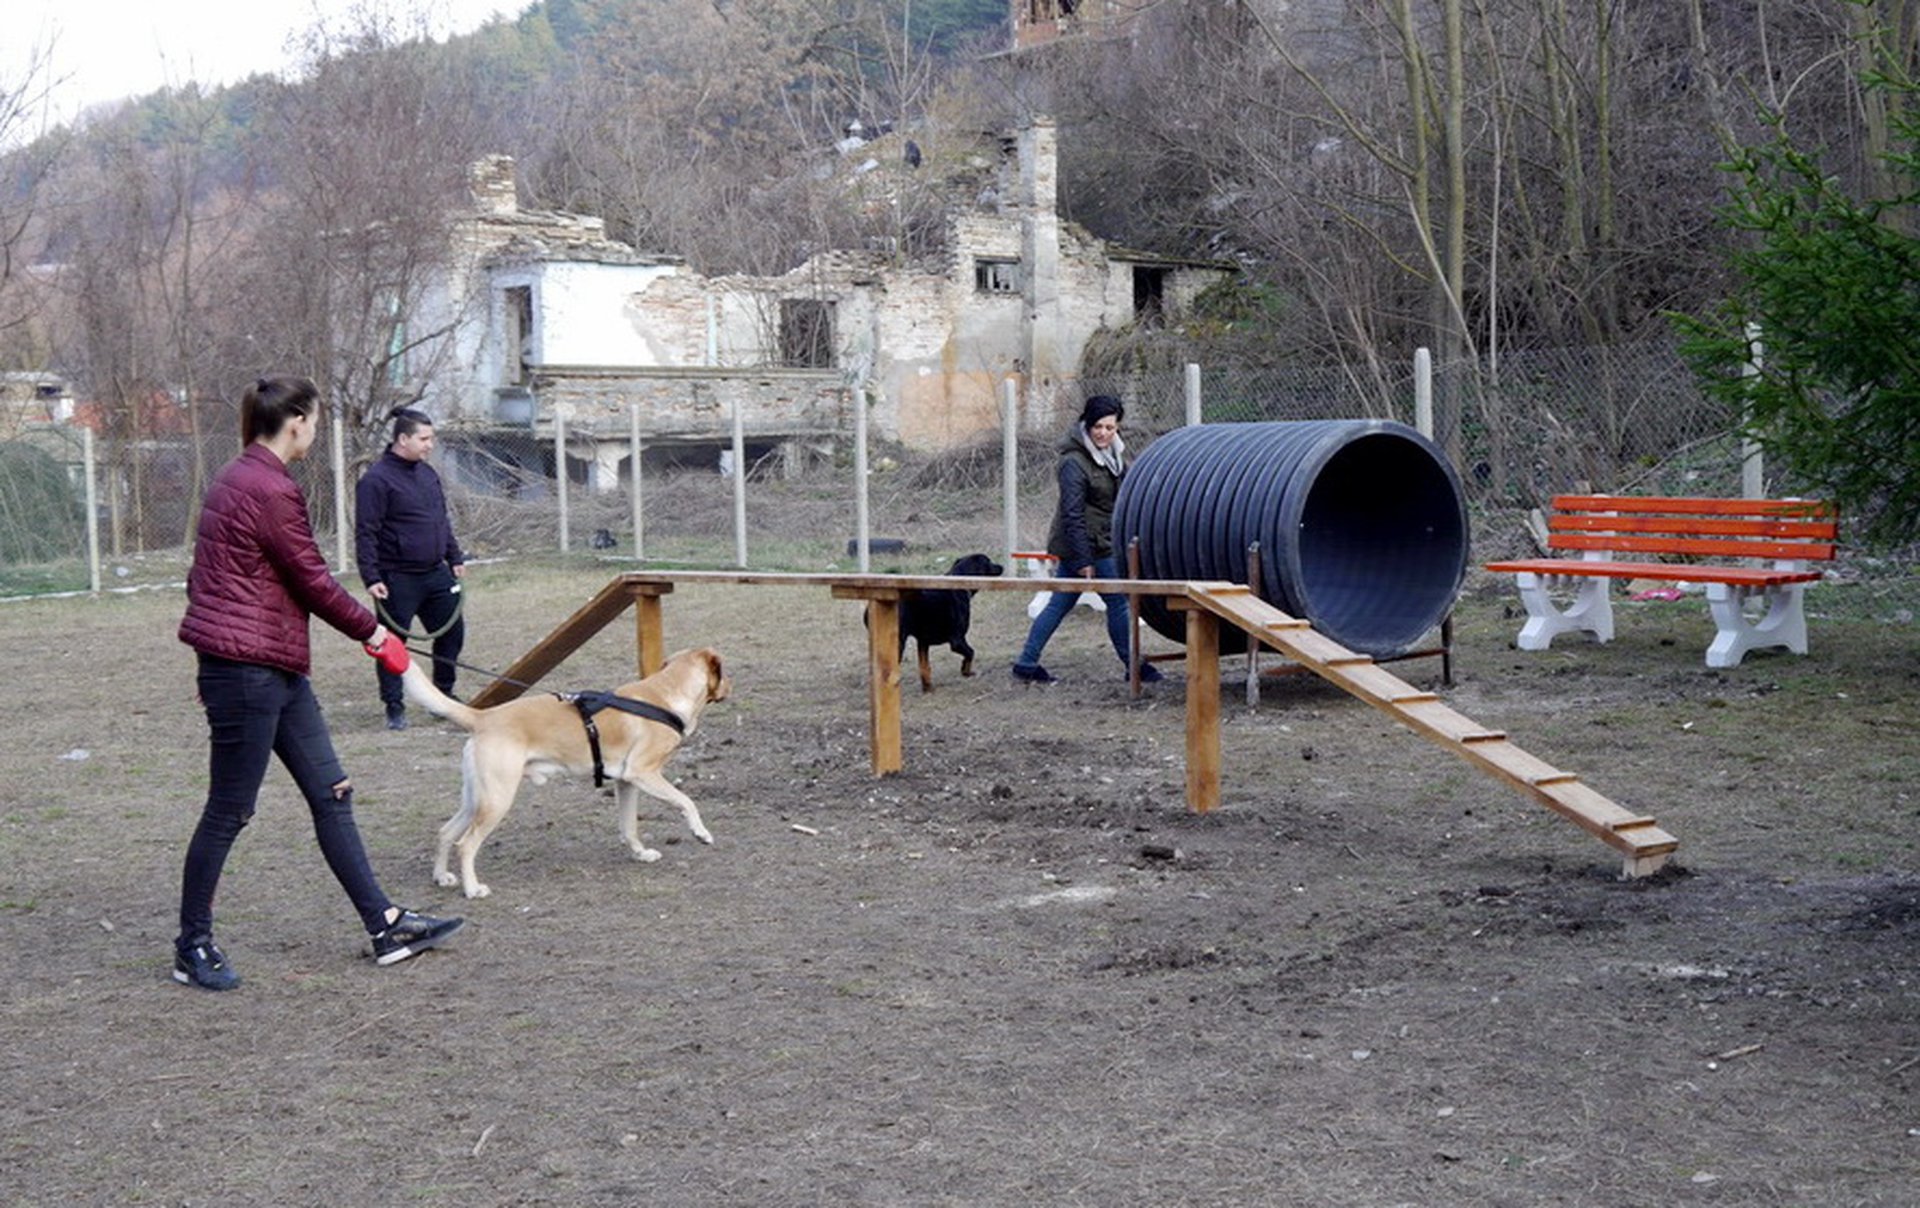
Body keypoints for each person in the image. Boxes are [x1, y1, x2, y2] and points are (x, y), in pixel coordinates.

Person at [173, 375, 463, 991]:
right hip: (246, 672)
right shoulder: (266, 487)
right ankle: (191, 945)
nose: (317, 430)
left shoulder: (239, 478)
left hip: (274, 668)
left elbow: (212, 580)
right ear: (297, 421)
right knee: (229, 810)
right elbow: (313, 580)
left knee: (333, 792)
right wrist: (375, 634)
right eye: (317, 419)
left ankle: (385, 926)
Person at [1011, 394, 1162, 685]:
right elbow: (1072, 514)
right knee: (1117, 602)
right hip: (1085, 544)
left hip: (1102, 539)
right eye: (1098, 427)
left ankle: (1026, 663)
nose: (1104, 433)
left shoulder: (1115, 456)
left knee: (1059, 604)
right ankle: (1134, 666)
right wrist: (1082, 560)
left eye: (1110, 427)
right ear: (1086, 424)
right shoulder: (1073, 462)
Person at [356, 406, 467, 730]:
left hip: (435, 572)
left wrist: (454, 557)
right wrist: (371, 576)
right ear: (403, 439)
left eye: (431, 438)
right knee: (392, 643)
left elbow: (440, 521)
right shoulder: (376, 480)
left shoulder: (428, 474)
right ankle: (394, 705)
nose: (430, 444)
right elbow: (366, 531)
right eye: (424, 438)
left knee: (452, 631)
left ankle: (442, 695)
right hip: (396, 577)